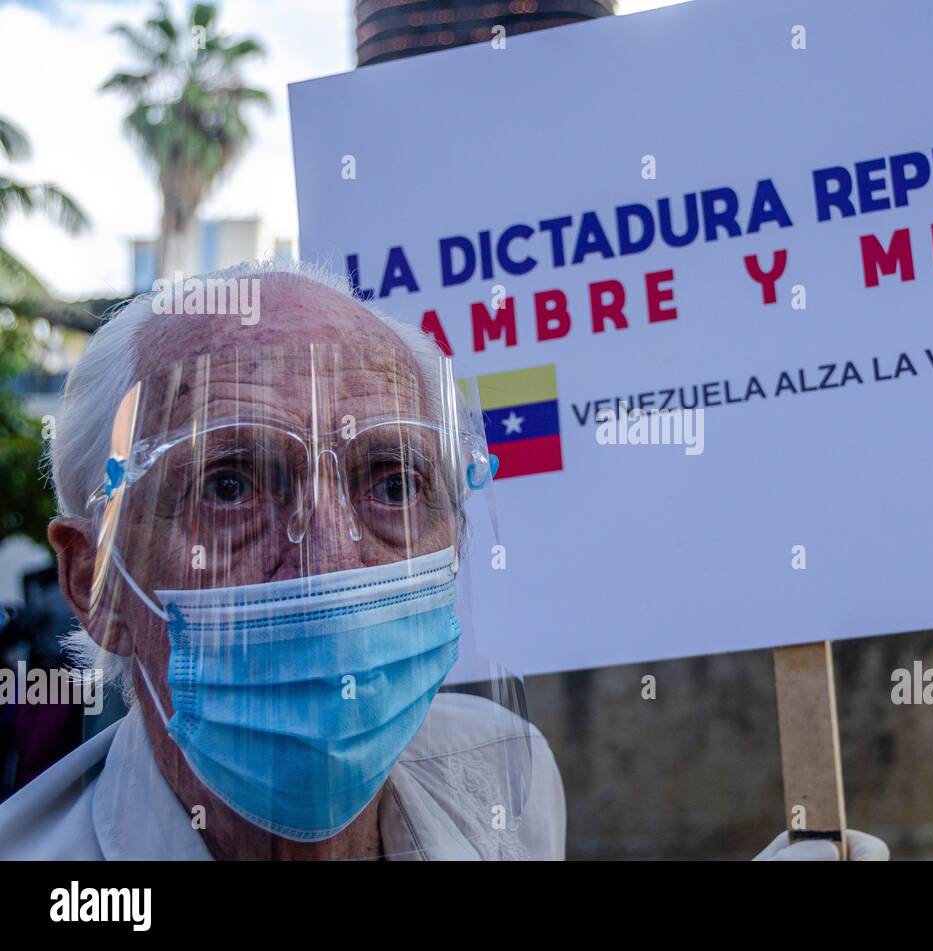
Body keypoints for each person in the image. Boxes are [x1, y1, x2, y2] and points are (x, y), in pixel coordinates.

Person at [0, 261, 886, 861]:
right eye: (231, 485)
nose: (334, 560)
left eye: (391, 480)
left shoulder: (505, 777)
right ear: (94, 582)